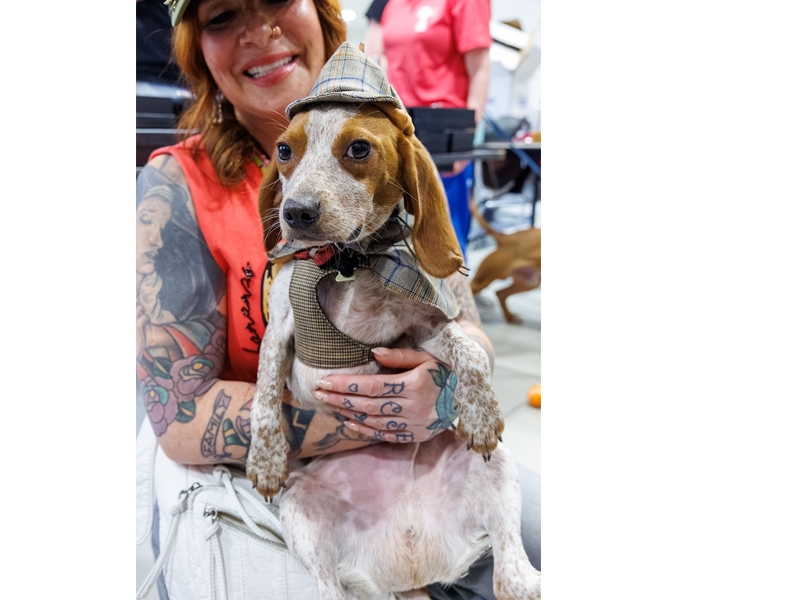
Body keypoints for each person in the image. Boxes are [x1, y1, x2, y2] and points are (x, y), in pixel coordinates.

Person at [136, 0, 537, 597]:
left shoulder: (395, 156)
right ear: (196, 50)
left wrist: (445, 395)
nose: (261, 30)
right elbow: (179, 419)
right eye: (221, 16)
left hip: (433, 456)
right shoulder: (173, 187)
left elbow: (463, 324)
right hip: (293, 475)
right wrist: (378, 421)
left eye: (278, 0)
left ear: (324, 14)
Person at [363, 0, 493, 262]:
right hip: (398, 128)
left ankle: (455, 299)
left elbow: (480, 67)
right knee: (395, 238)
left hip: (443, 132)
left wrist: (467, 137)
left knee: (444, 236)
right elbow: (373, 57)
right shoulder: (391, 5)